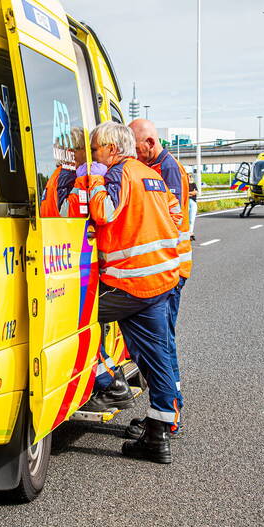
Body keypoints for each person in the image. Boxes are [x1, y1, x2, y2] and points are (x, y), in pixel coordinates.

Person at [77, 122, 183, 463]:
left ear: (110, 149)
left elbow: (104, 212)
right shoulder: (151, 175)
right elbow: (176, 216)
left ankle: (108, 381)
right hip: (160, 280)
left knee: (71, 317)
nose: (93, 156)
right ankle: (159, 435)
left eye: (95, 150)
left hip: (129, 282)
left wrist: (93, 180)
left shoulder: (118, 173)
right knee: (157, 359)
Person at [127, 119, 192, 438]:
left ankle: (169, 415)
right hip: (167, 268)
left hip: (168, 271)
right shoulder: (158, 167)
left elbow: (163, 222)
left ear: (150, 143)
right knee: (160, 343)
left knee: (161, 344)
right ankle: (168, 412)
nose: (133, 155)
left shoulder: (165, 171)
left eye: (136, 148)